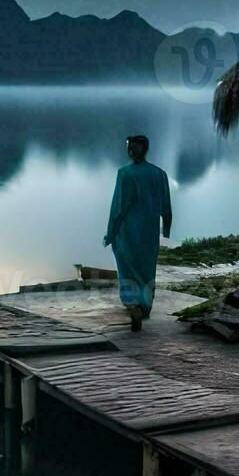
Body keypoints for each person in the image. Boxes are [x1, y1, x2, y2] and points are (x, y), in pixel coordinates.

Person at [103, 134, 172, 330]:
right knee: (147, 267)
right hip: (150, 231)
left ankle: (133, 304)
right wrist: (166, 227)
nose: (129, 150)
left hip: (127, 230)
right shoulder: (159, 174)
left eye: (130, 146)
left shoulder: (125, 173)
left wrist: (110, 233)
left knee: (127, 267)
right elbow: (166, 205)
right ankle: (146, 305)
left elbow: (119, 207)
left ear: (136, 149)